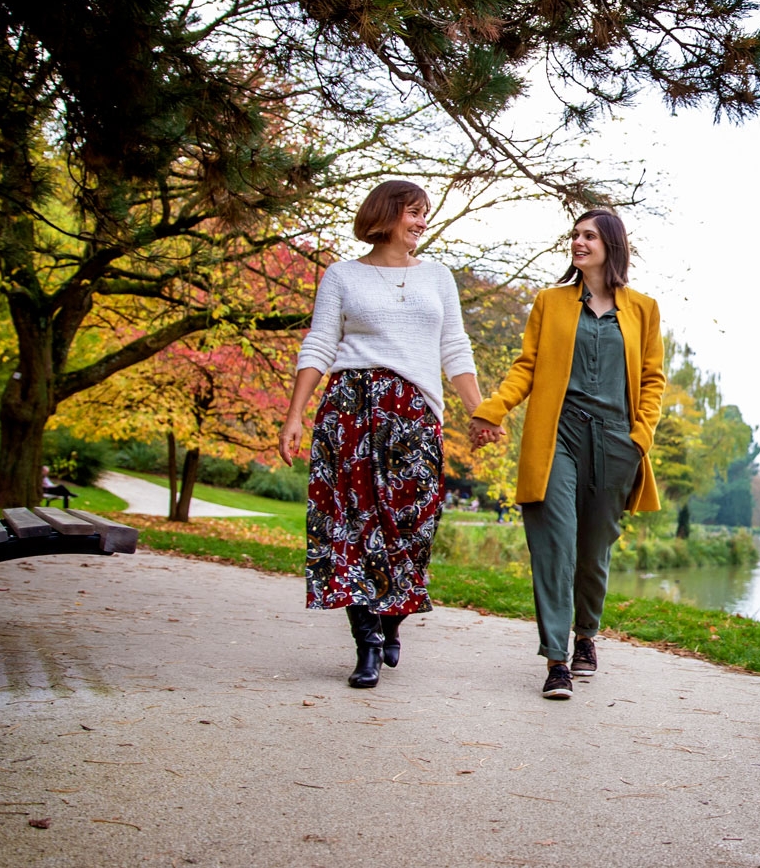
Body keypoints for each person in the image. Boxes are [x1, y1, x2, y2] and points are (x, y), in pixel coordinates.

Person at [278, 180, 482, 688]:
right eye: (413, 212)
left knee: (415, 525)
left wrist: (481, 411)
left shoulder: (438, 277)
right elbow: (321, 342)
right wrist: (294, 414)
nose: (421, 222)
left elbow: (454, 346)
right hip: (350, 410)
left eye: (424, 214)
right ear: (386, 215)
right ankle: (366, 642)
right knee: (350, 525)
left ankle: (392, 617)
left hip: (414, 415)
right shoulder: (343, 275)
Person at [471, 209, 664, 699]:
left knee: (593, 554)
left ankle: (586, 637)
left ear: (611, 245)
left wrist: (639, 436)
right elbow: (526, 367)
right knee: (555, 545)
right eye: (575, 235)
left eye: (588, 236)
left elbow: (653, 380)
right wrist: (492, 409)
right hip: (558, 436)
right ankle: (556, 660)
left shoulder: (643, 309)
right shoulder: (550, 302)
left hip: (617, 442)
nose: (577, 242)